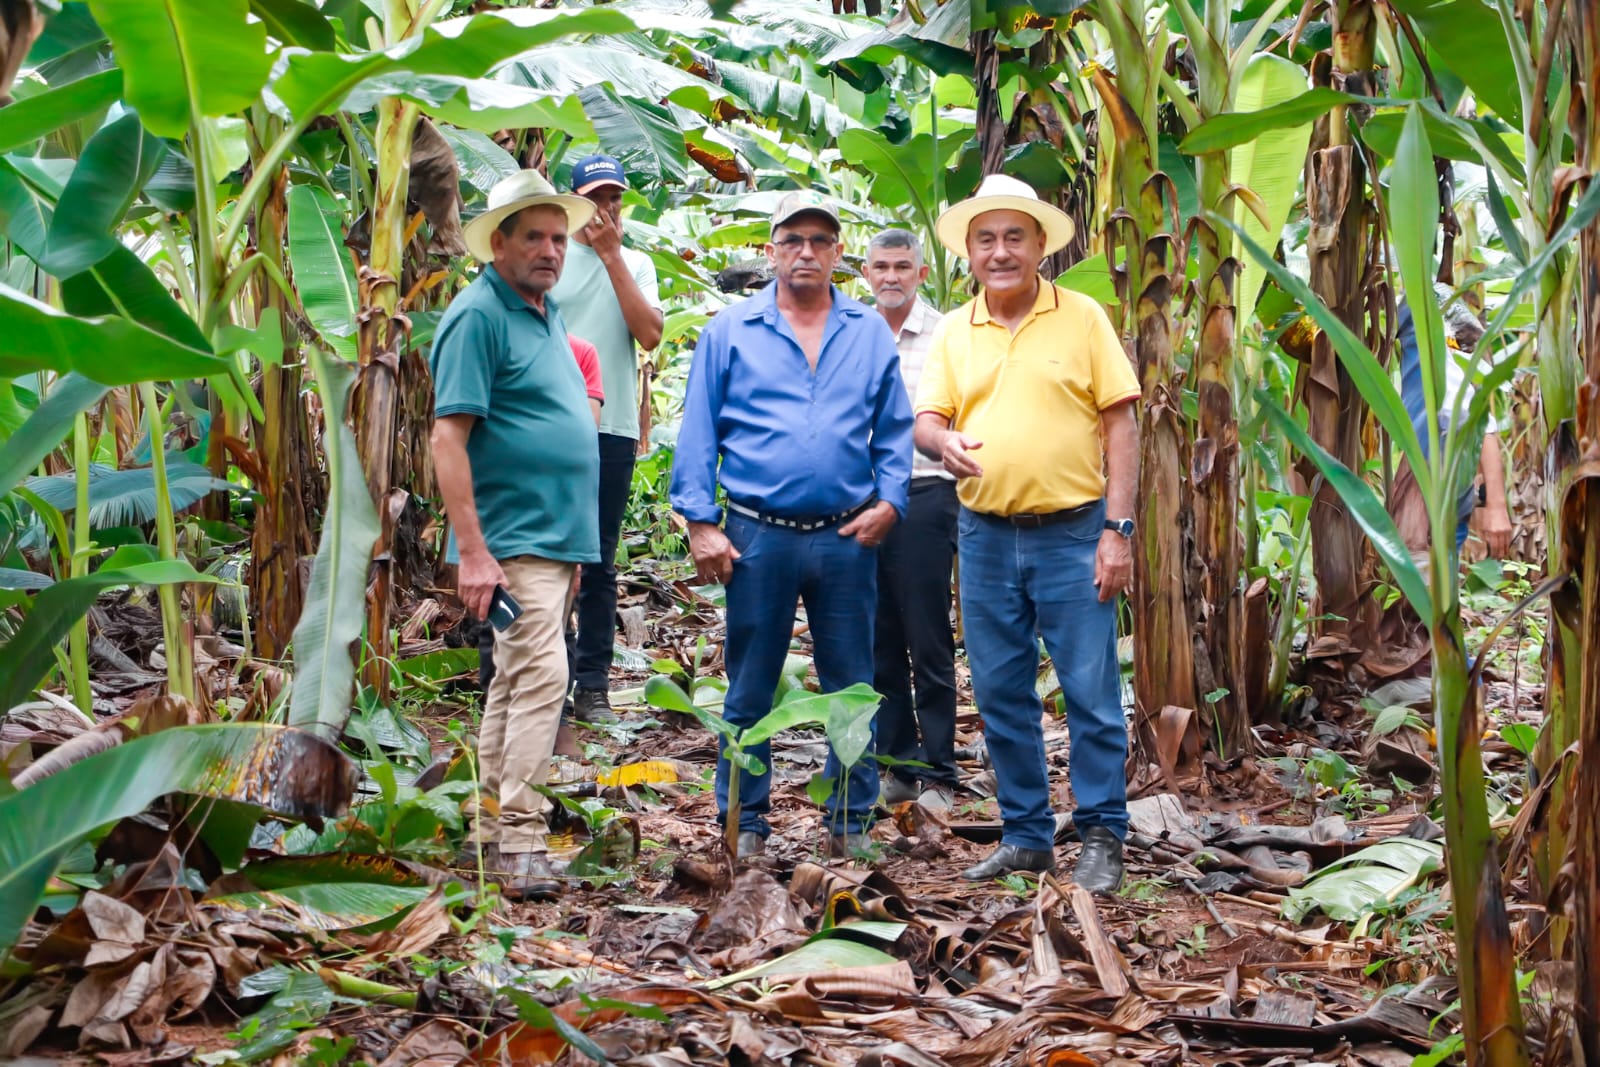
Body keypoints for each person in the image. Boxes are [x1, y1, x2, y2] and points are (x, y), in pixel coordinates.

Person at [669, 190, 915, 860]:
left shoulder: (867, 331)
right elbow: (699, 429)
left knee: (852, 684)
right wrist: (701, 522)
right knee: (750, 682)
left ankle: (849, 820)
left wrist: (891, 500)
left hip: (846, 535)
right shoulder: (731, 330)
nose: (806, 252)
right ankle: (743, 822)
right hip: (757, 534)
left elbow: (895, 428)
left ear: (838, 253)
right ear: (772, 250)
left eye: (819, 241)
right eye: (793, 240)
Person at [913, 174, 1140, 892]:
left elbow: (1121, 422)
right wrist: (940, 441)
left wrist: (1118, 530)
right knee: (1001, 691)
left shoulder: (1082, 318)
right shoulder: (955, 329)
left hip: (1073, 533)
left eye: (1015, 236)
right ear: (969, 251)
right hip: (983, 535)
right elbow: (927, 419)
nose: (1001, 251)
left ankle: (1102, 833)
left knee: (1090, 692)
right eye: (986, 239)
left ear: (1041, 244)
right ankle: (1026, 836)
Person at [429, 169, 599, 901]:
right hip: (511, 539)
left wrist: (575, 548)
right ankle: (523, 842)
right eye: (533, 236)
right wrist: (472, 550)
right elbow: (447, 437)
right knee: (544, 677)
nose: (550, 250)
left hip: (551, 539)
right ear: (497, 243)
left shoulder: (543, 312)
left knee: (514, 679)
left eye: (559, 238)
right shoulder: (479, 315)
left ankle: (490, 828)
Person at [549, 154, 665, 726]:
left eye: (614, 197)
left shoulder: (636, 262)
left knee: (598, 559)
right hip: (545, 428)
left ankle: (592, 685)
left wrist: (612, 256)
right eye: (596, 198)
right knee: (545, 557)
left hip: (611, 427)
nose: (607, 208)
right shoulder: (550, 257)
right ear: (574, 203)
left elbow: (650, 334)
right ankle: (549, 678)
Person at [862, 229, 960, 812]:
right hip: (862, 496)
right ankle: (898, 764)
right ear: (866, 273)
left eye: (902, 266)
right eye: (881, 267)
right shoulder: (853, 331)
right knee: (878, 637)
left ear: (921, 274)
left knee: (927, 634)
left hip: (926, 492)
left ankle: (941, 769)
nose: (891, 276)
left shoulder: (947, 333)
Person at [1393, 286, 1513, 558]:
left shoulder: (1419, 318)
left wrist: (1496, 506)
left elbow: (1479, 421)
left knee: (1425, 575)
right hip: (1433, 483)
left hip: (1436, 489)